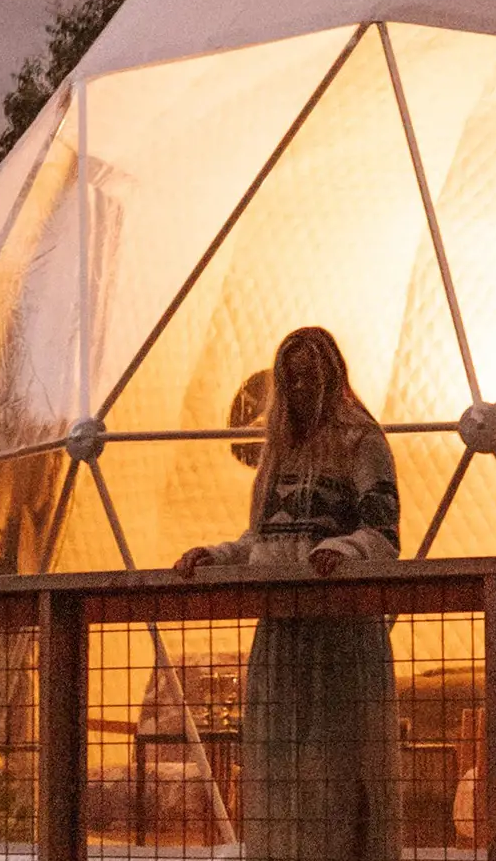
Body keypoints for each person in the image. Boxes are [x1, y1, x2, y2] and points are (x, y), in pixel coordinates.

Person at [176, 327, 402, 861]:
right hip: (281, 632)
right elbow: (260, 537)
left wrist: (346, 550)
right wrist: (215, 554)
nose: (300, 387)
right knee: (279, 760)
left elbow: (384, 533)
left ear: (333, 376)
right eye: (290, 377)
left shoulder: (361, 442)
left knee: (339, 763)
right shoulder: (278, 454)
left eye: (310, 375)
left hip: (341, 632)